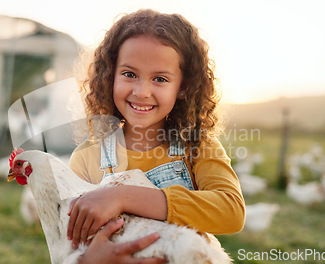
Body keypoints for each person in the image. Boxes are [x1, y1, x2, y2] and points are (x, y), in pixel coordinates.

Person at [67, 9, 245, 263]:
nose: (141, 92)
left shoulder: (197, 146)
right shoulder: (87, 157)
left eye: (160, 79)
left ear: (183, 87)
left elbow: (231, 211)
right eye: (129, 74)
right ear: (109, 76)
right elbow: (68, 241)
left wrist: (120, 196)